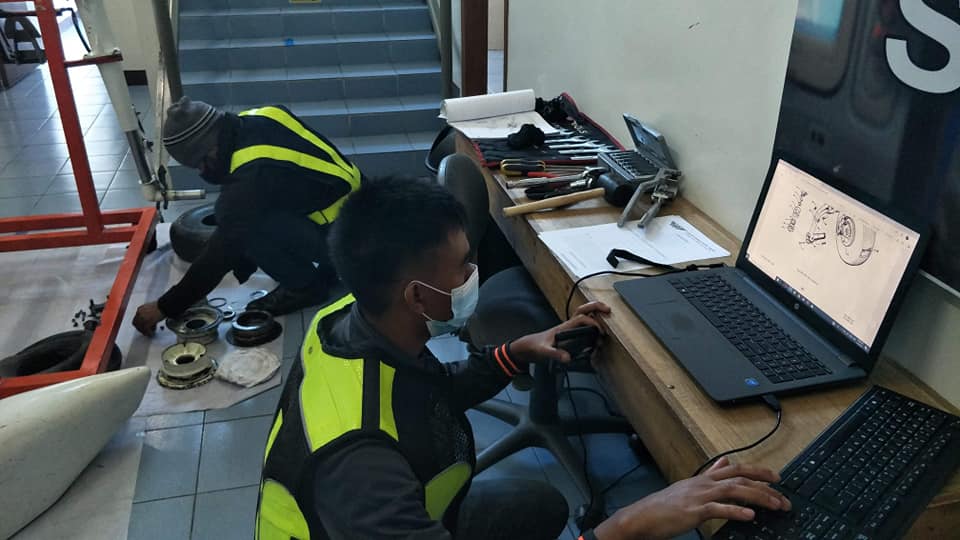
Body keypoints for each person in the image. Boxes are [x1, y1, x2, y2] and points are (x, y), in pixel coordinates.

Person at [255, 176, 791, 540]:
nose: (474, 275)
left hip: (423, 498)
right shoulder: (363, 473)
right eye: (463, 266)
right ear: (416, 297)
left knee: (538, 506)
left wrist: (514, 353)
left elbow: (421, 394)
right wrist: (628, 526)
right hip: (369, 521)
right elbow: (385, 426)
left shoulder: (353, 318)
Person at [132, 97, 361, 336]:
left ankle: (304, 287)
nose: (202, 171)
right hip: (361, 216)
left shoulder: (251, 173)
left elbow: (220, 253)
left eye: (200, 164)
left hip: (349, 243)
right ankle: (327, 266)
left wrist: (166, 306)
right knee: (237, 214)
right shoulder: (262, 117)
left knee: (246, 227)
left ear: (210, 150)